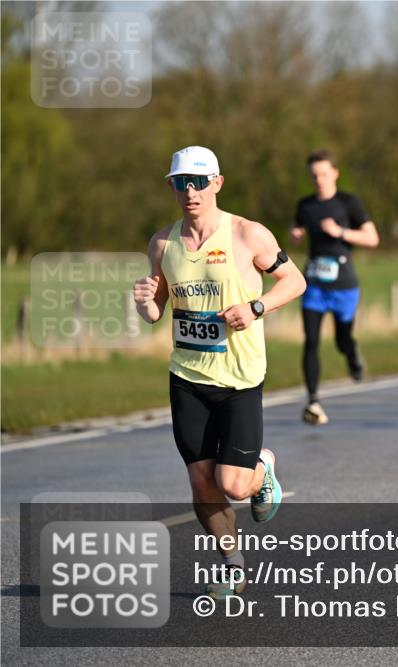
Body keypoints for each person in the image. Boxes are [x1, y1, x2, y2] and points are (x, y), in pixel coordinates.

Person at [133, 146, 306, 598]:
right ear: (171, 186)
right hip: (187, 376)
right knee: (199, 480)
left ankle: (263, 466)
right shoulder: (162, 243)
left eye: (198, 181)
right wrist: (145, 302)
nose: (189, 191)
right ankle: (232, 563)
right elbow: (156, 312)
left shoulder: (249, 235)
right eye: (180, 182)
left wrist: (257, 307)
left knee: (232, 484)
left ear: (217, 183)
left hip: (239, 378)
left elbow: (295, 281)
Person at [291, 150, 380, 426]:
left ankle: (352, 355)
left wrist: (340, 232)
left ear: (335, 173)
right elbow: (298, 227)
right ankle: (314, 401)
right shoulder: (305, 205)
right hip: (314, 283)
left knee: (342, 339)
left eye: (324, 174)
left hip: (343, 285)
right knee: (311, 341)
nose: (319, 180)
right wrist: (297, 233)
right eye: (314, 175)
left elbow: (372, 238)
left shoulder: (348, 203)